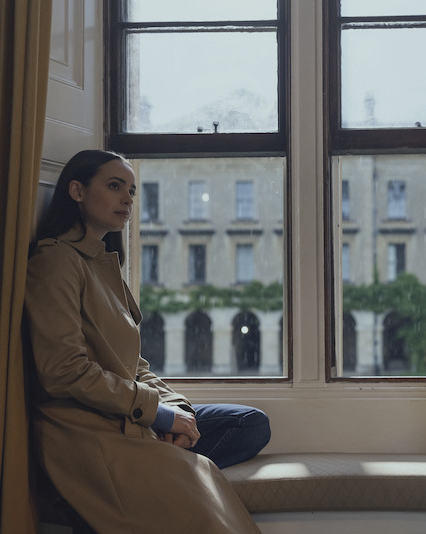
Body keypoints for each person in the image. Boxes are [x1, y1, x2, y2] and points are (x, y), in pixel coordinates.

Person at [25, 149, 269, 532]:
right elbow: (63, 371)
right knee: (199, 469)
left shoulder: (102, 262)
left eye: (132, 190)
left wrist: (175, 408)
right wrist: (158, 413)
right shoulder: (55, 262)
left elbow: (134, 365)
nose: (127, 198)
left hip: (128, 413)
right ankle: (156, 469)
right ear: (77, 191)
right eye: (114, 186)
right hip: (91, 428)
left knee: (250, 423)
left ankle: (164, 455)